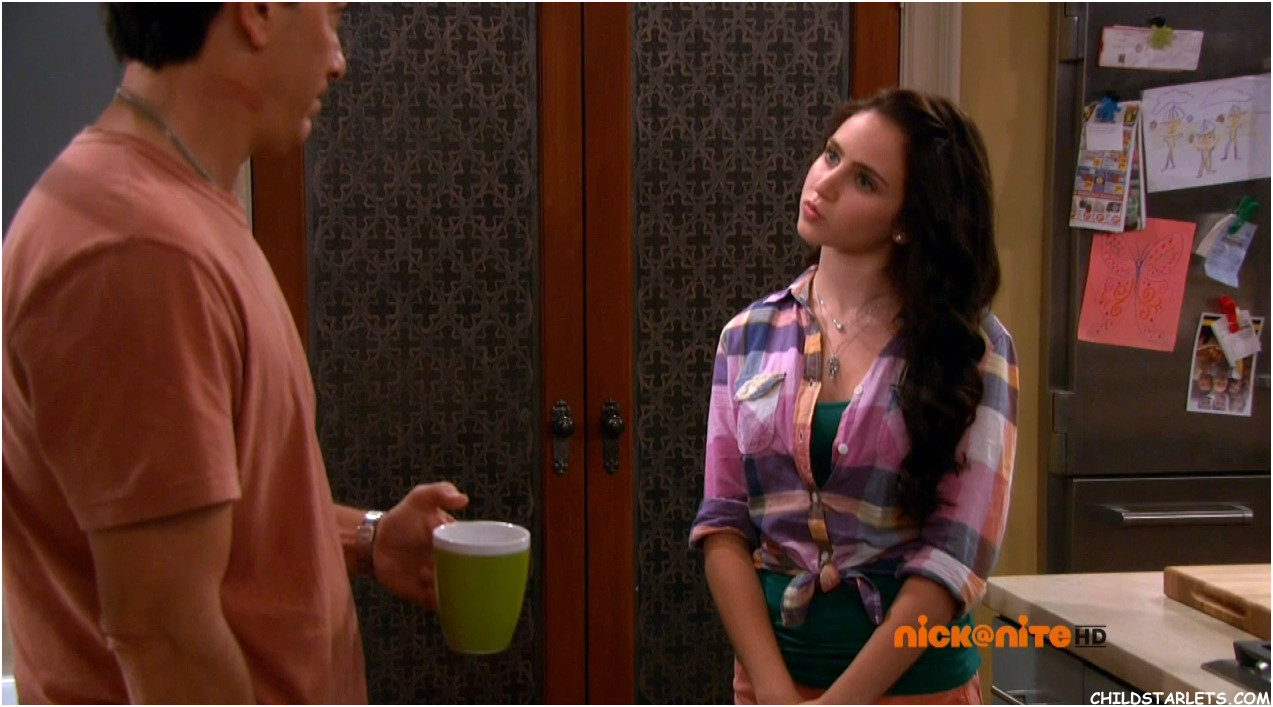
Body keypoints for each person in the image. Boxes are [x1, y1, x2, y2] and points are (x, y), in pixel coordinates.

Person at [2, 4, 469, 703]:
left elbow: (205, 522)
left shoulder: (174, 213)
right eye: (332, 15)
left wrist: (367, 539)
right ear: (257, 10)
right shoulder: (138, 248)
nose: (338, 61)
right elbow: (165, 632)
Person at [690, 88, 1018, 705]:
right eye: (831, 155)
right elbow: (723, 527)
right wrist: (775, 692)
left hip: (914, 689)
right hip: (773, 683)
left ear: (907, 222)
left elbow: (955, 556)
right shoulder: (748, 336)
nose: (825, 182)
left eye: (864, 180)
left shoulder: (971, 347)